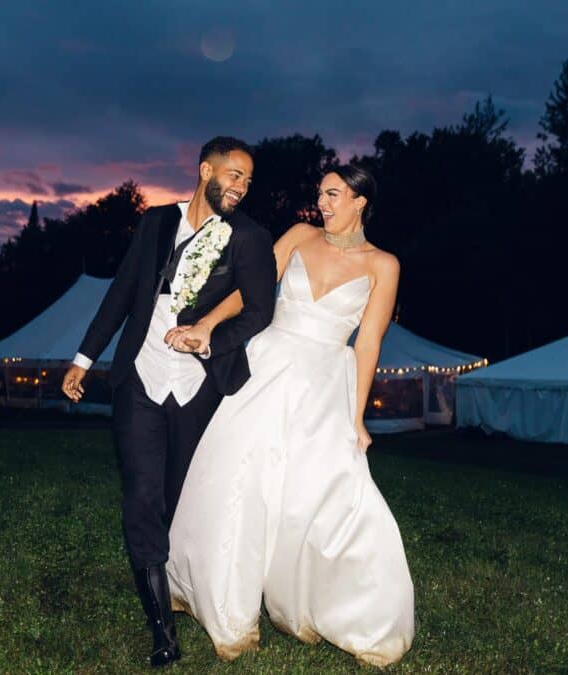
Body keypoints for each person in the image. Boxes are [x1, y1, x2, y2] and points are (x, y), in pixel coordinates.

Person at [164, 165, 415, 667]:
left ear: (360, 201)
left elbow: (368, 343)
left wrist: (357, 416)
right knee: (240, 478)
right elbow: (251, 291)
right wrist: (208, 324)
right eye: (320, 192)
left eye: (333, 194)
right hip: (269, 368)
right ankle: (225, 606)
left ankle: (343, 606)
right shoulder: (300, 235)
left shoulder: (383, 264)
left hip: (325, 384)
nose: (322, 202)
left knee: (321, 495)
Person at [61, 136, 276, 668]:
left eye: (248, 180)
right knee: (140, 496)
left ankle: (181, 585)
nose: (241, 187)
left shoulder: (249, 237)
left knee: (175, 499)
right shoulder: (156, 222)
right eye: (233, 175)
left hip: (201, 387)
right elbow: (121, 295)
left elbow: (260, 309)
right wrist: (83, 359)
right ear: (205, 170)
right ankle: (162, 630)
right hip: (139, 378)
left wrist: (210, 336)